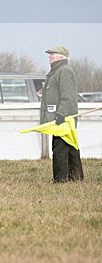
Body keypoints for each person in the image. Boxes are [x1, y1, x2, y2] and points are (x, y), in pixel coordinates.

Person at [40, 45, 83, 183]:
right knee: (70, 147)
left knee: (60, 149)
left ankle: (60, 180)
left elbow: (68, 96)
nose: (49, 56)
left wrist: (61, 114)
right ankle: (76, 178)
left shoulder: (63, 71)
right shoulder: (57, 71)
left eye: (52, 54)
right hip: (62, 117)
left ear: (60, 56)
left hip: (64, 118)